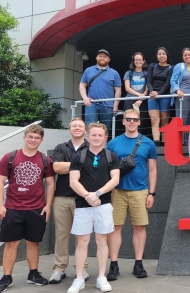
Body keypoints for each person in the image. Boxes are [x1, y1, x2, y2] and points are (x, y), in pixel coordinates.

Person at [0, 124, 56, 293]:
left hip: (36, 208)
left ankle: (33, 274)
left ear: (41, 140)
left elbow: (50, 184)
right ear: (24, 137)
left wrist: (48, 205)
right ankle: (6, 277)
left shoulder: (45, 160)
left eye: (37, 138)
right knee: (11, 243)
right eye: (30, 136)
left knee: (33, 242)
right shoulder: (10, 157)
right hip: (13, 207)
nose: (33, 140)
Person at [67, 123, 120, 293]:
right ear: (88, 136)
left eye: (100, 135)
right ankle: (79, 278)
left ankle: (101, 277)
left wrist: (96, 194)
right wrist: (88, 196)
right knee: (82, 242)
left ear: (105, 137)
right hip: (83, 206)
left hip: (104, 205)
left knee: (102, 242)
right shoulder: (79, 156)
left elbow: (115, 180)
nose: (97, 138)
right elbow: (73, 181)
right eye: (94, 135)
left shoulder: (112, 156)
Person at [106, 109, 158, 281]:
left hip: (140, 191)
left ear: (139, 122)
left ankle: (138, 263)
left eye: (134, 120)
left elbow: (152, 169)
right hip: (117, 191)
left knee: (139, 227)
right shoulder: (113, 143)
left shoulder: (148, 143)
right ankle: (113, 265)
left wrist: (152, 193)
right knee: (115, 228)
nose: (131, 122)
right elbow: (107, 169)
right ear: (123, 122)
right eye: (128, 119)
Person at [48, 118, 90, 284]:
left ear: (85, 130)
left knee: (83, 236)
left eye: (80, 126)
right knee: (61, 235)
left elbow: (95, 167)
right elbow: (56, 168)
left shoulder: (92, 146)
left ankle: (83, 267)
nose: (77, 128)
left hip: (84, 197)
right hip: (62, 197)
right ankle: (59, 268)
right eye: (74, 126)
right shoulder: (60, 147)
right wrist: (81, 164)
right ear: (69, 129)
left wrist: (70, 166)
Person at [79, 49, 122, 133]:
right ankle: (90, 146)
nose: (102, 58)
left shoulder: (114, 73)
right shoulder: (88, 70)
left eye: (105, 57)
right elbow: (82, 85)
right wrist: (84, 97)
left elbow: (118, 90)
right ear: (96, 58)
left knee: (105, 129)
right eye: (100, 56)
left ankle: (103, 145)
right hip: (91, 103)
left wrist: (116, 105)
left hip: (108, 105)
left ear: (109, 59)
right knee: (90, 127)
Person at [170, 47, 190, 145]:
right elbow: (173, 80)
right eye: (185, 55)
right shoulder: (180, 66)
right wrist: (178, 90)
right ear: (183, 57)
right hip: (183, 95)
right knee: (182, 119)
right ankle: (180, 143)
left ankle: (188, 143)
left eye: (189, 54)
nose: (187, 57)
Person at [146, 47, 173, 145]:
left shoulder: (171, 68)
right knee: (154, 120)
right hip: (153, 96)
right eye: (159, 54)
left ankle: (164, 144)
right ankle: (156, 143)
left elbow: (168, 83)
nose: (162, 56)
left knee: (164, 121)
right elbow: (148, 81)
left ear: (167, 55)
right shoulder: (152, 66)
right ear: (157, 56)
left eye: (163, 54)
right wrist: (152, 91)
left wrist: (159, 93)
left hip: (164, 96)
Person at [123, 52, 151, 137]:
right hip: (130, 100)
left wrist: (141, 99)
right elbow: (127, 88)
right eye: (136, 60)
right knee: (128, 122)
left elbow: (148, 88)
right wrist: (139, 95)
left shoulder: (147, 73)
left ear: (143, 61)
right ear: (133, 61)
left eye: (140, 60)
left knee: (141, 123)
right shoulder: (129, 73)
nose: (138, 61)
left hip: (143, 101)